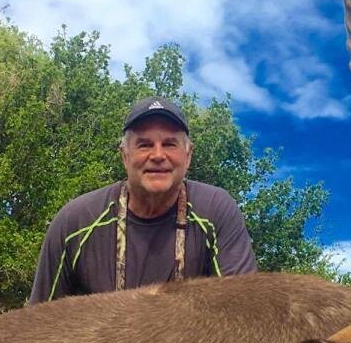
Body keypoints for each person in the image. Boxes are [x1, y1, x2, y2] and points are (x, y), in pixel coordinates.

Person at [29, 97, 258, 304]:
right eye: (144, 145)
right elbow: (39, 323)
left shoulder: (216, 211)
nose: (158, 155)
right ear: (124, 156)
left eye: (169, 144)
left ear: (188, 157)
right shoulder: (75, 223)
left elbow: (242, 312)